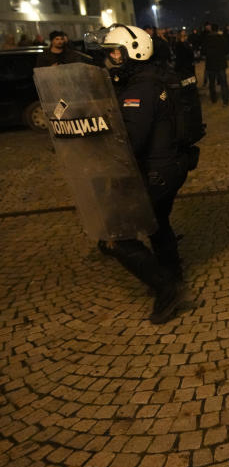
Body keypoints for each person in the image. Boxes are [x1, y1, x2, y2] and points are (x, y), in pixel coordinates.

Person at [97, 24, 190, 324]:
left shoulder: (139, 90)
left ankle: (166, 288)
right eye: (110, 53)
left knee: (116, 236)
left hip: (155, 172)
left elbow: (130, 141)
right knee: (158, 222)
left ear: (133, 52)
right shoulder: (156, 77)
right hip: (172, 167)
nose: (112, 59)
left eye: (116, 53)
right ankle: (172, 273)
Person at [202, 23, 229, 106]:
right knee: (223, 83)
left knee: (212, 83)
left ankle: (213, 98)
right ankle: (225, 100)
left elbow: (203, 52)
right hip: (221, 63)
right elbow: (227, 50)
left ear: (211, 29)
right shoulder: (222, 38)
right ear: (218, 29)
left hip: (210, 64)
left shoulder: (207, 39)